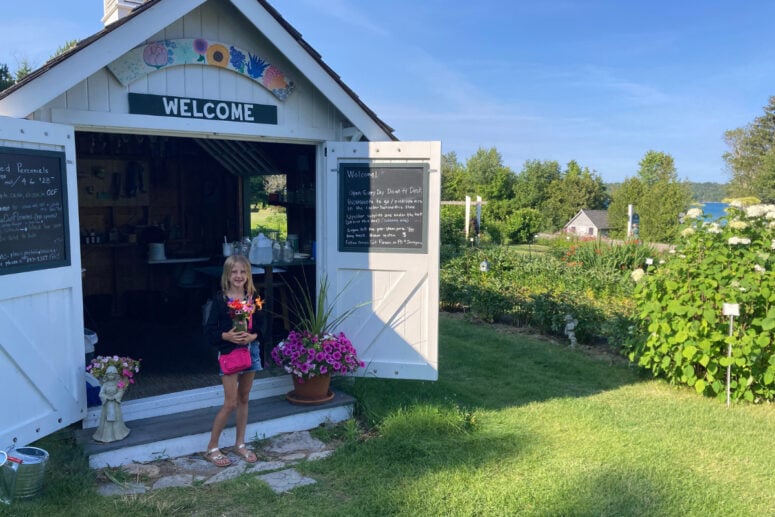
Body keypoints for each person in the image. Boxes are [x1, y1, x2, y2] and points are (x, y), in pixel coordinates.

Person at [203, 254, 265, 467]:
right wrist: (227, 336)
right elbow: (209, 331)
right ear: (227, 276)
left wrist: (253, 336)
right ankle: (212, 447)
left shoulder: (254, 297)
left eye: (242, 271)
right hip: (230, 353)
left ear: (248, 274)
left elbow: (263, 328)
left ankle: (240, 444)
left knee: (244, 398)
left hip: (251, 352)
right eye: (234, 272)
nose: (238, 276)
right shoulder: (221, 300)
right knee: (230, 401)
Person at [93, 366, 130, 442]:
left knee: (116, 418)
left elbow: (120, 391)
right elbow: (101, 394)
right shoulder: (105, 385)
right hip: (107, 405)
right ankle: (107, 435)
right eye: (109, 375)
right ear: (106, 375)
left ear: (116, 375)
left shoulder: (118, 384)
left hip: (115, 404)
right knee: (107, 419)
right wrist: (106, 397)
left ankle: (119, 433)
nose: (111, 376)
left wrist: (115, 397)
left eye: (113, 375)